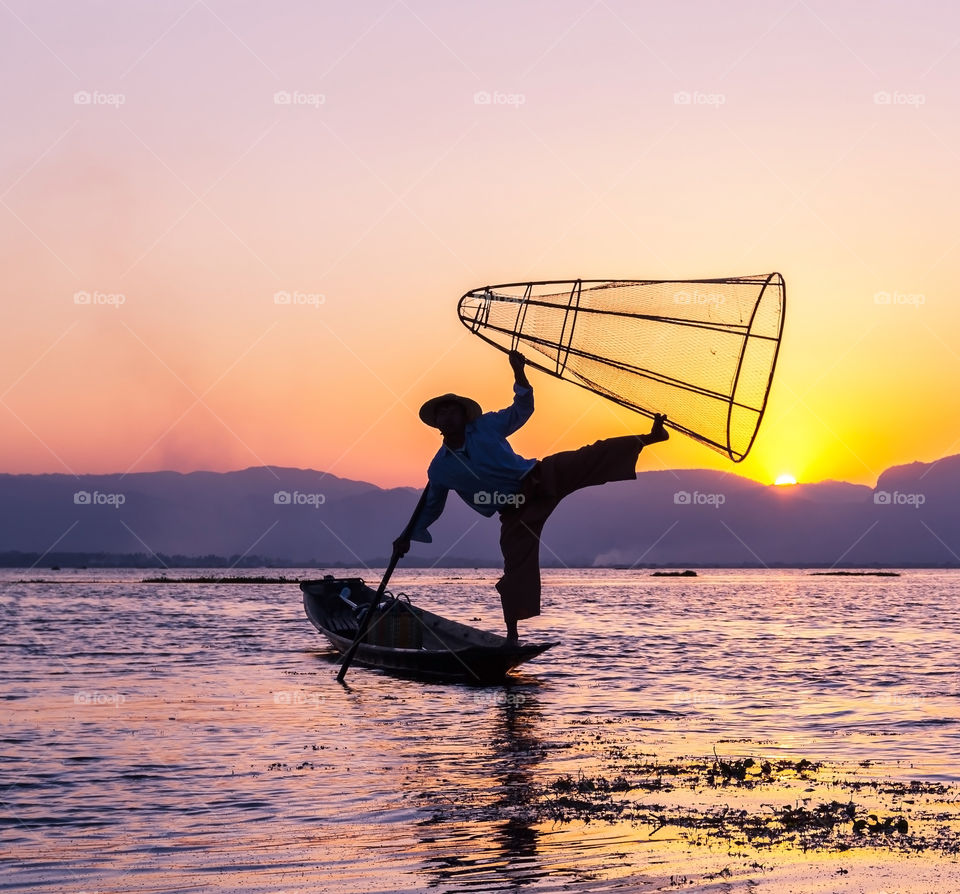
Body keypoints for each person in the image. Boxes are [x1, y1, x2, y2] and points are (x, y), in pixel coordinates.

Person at [394, 350, 668, 642]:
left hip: (538, 478)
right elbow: (431, 507)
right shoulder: (440, 469)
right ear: (436, 423)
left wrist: (518, 371)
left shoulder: (486, 426)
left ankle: (651, 437)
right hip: (514, 511)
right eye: (442, 414)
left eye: (453, 411)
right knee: (515, 568)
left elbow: (521, 409)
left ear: (464, 416)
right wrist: (407, 536)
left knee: (589, 455)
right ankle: (512, 636)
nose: (448, 417)